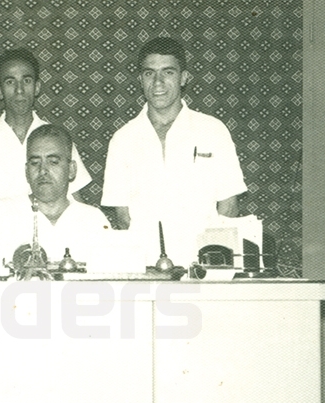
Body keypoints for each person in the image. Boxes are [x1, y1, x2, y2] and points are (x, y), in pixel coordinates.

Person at [101, 37, 247, 267]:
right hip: (147, 267)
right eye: (149, 73)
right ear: (140, 80)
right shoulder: (122, 139)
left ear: (184, 77)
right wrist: (146, 262)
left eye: (168, 72)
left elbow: (228, 206)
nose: (158, 82)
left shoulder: (213, 130)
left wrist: (212, 263)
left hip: (203, 267)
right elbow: (123, 216)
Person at [0, 48, 92, 236]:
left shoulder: (56, 138)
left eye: (26, 81)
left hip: (49, 242)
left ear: (37, 87)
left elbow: (77, 200)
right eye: (10, 82)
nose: (19, 90)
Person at [0, 124, 109, 268]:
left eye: (53, 162)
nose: (42, 170)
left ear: (71, 169)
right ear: (26, 171)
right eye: (35, 163)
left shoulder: (93, 220)